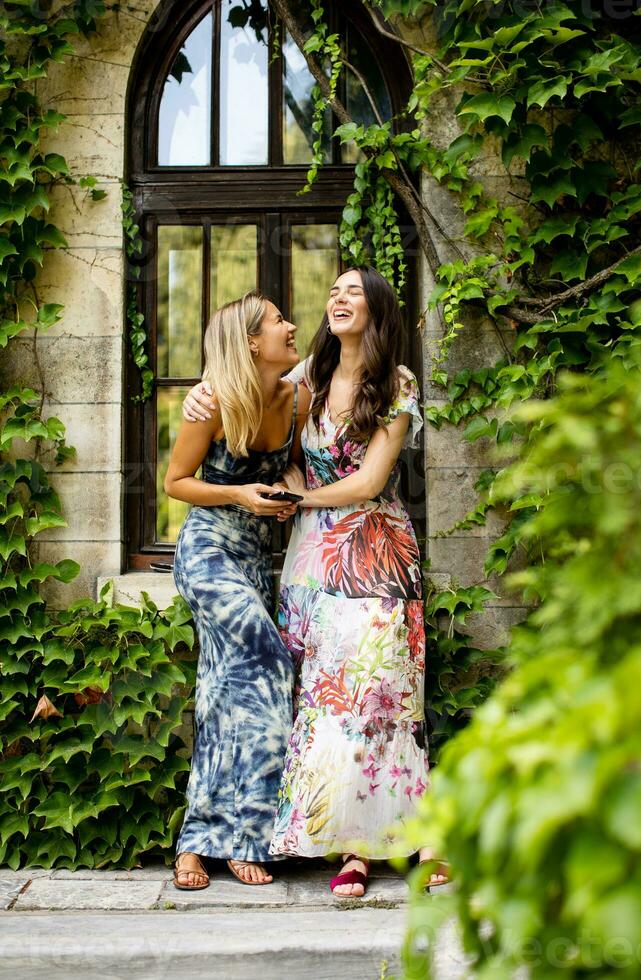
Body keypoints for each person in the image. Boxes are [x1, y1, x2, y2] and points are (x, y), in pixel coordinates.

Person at [182, 267, 449, 896]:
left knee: (388, 695)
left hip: (376, 549)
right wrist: (201, 391)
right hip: (310, 560)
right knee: (329, 701)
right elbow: (246, 388)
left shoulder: (397, 383)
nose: (337, 298)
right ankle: (352, 847)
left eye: (352, 291)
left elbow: (369, 482)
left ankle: (423, 835)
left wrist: (298, 502)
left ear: (378, 309)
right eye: (332, 290)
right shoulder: (308, 380)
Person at [164, 290, 311, 890]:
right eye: (279, 320)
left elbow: (292, 468)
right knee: (270, 664)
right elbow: (175, 483)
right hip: (206, 554)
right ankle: (242, 834)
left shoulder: (296, 397)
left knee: (222, 688)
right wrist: (240, 495)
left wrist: (283, 495)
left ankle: (199, 843)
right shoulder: (215, 403)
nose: (291, 325)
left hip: (254, 557)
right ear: (251, 340)